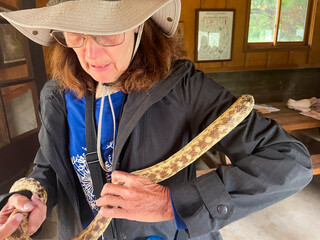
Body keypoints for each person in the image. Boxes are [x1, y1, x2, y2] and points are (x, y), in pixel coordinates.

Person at [0, 0, 313, 239]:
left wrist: (171, 202)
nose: (91, 55)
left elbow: (291, 162)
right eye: (77, 36)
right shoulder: (58, 94)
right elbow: (49, 168)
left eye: (106, 35)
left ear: (137, 25)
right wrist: (28, 196)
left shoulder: (185, 88)